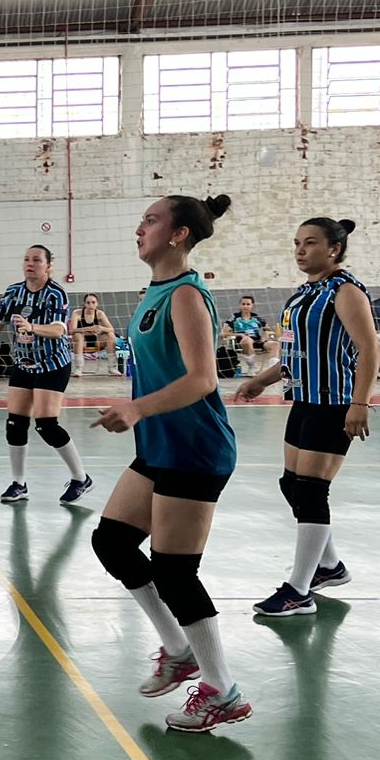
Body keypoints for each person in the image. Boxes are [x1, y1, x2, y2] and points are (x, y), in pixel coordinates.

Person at [91, 194, 251, 732]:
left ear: (179, 235)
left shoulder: (185, 295)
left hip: (194, 448)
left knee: (177, 575)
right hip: (160, 445)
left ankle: (222, 689)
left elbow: (204, 379)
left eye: (152, 219)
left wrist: (136, 408)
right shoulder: (156, 292)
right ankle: (179, 650)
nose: (140, 227)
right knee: (112, 542)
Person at [235, 218, 378, 618]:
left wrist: (360, 403)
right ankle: (329, 567)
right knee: (292, 484)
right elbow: (295, 353)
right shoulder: (303, 294)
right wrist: (260, 381)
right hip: (303, 398)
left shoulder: (345, 291)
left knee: (312, 491)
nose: (300, 250)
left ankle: (299, 591)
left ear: (333, 248)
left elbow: (370, 350)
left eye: (310, 243)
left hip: (334, 402)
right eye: (297, 242)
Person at [0, 246, 91, 504]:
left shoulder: (55, 294)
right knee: (15, 423)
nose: (30, 263)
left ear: (48, 265)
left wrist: (31, 327)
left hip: (52, 364)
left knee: (46, 424)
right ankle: (19, 484)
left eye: (37, 260)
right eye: (26, 259)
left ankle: (80, 478)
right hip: (24, 363)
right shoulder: (13, 291)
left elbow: (58, 330)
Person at [221, 295, 279, 377]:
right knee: (247, 340)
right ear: (240, 305)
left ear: (252, 305)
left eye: (248, 304)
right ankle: (252, 367)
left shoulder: (257, 318)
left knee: (275, 344)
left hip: (257, 340)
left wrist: (266, 335)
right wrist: (240, 334)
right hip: (241, 340)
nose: (245, 306)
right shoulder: (235, 318)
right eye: (243, 304)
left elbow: (269, 331)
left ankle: (273, 369)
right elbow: (223, 333)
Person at [70, 292, 121, 376]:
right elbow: (72, 330)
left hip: (97, 341)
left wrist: (100, 328)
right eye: (88, 303)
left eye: (93, 302)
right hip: (82, 342)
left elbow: (111, 329)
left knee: (111, 335)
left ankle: (112, 367)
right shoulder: (77, 313)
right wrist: (88, 329)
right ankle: (78, 368)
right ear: (84, 304)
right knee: (78, 335)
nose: (91, 305)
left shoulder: (100, 313)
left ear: (97, 303)